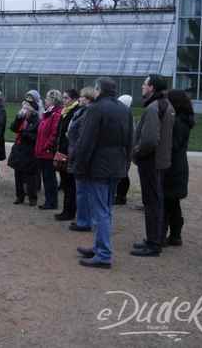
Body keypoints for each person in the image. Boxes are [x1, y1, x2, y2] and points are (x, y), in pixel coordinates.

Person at [74, 77, 133, 268]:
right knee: (105, 209)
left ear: (99, 90)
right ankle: (99, 246)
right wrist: (125, 165)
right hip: (116, 167)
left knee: (100, 211)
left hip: (99, 167)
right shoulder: (124, 109)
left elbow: (87, 141)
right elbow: (130, 140)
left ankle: (103, 254)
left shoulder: (96, 110)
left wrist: (80, 167)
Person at [131, 74, 175, 257]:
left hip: (152, 162)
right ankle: (154, 239)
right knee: (156, 202)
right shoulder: (167, 105)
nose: (142, 87)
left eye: (145, 84)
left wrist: (136, 151)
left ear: (152, 88)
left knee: (152, 203)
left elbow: (150, 139)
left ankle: (154, 243)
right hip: (160, 161)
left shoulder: (154, 107)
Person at [161, 89, 194, 247]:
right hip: (178, 164)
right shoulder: (184, 120)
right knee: (172, 202)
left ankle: (168, 235)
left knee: (168, 202)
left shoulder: (178, 123)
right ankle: (173, 235)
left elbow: (173, 144)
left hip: (173, 166)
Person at [66, 87, 95, 232]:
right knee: (81, 190)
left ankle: (84, 221)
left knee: (83, 191)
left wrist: (73, 153)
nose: (79, 99)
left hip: (79, 155)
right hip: (76, 152)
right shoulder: (82, 112)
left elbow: (82, 136)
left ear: (89, 99)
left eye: (82, 97)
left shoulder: (87, 114)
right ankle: (83, 219)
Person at [54, 88, 81, 222]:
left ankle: (69, 211)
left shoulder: (74, 113)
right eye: (63, 98)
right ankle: (67, 210)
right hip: (62, 151)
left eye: (66, 98)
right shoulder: (65, 113)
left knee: (70, 184)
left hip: (69, 153)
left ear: (74, 100)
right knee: (65, 183)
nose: (63, 100)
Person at [8, 100, 41, 205]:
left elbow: (37, 137)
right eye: (23, 107)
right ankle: (19, 196)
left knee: (30, 176)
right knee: (18, 174)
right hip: (18, 149)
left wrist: (26, 135)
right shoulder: (21, 119)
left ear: (32, 110)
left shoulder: (37, 121)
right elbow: (13, 128)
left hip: (29, 150)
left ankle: (32, 197)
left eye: (26, 108)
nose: (24, 110)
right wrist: (18, 118)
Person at [35, 89, 63, 209]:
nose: (46, 101)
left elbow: (54, 133)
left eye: (48, 99)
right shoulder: (47, 113)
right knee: (46, 176)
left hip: (47, 151)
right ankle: (49, 200)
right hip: (42, 149)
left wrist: (46, 146)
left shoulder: (55, 115)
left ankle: (52, 201)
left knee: (49, 177)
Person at [114, 94, 134, 205]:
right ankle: (119, 194)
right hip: (121, 148)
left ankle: (122, 195)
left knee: (123, 174)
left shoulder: (127, 116)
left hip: (123, 148)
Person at [26, 89, 44, 192]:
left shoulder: (40, 110)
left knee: (36, 164)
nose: (29, 100)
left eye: (31, 98)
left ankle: (36, 184)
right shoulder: (25, 108)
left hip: (35, 138)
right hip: (27, 139)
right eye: (28, 97)